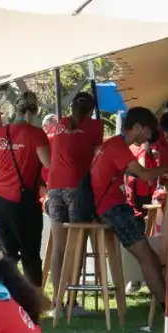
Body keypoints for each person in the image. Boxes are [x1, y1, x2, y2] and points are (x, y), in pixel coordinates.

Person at [92, 108, 168, 304]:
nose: (149, 137)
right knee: (146, 257)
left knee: (150, 256)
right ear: (136, 127)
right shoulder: (117, 147)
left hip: (112, 205)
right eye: (148, 131)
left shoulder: (114, 144)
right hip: (110, 207)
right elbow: (146, 175)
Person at [44, 91, 105, 297]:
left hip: (54, 186)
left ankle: (57, 300)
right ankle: (72, 299)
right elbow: (98, 157)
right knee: (76, 244)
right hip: (76, 186)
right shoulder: (96, 126)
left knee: (59, 247)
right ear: (91, 110)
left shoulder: (61, 123)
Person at [0, 92, 51, 288]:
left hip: (0, 199)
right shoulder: (36, 133)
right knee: (30, 254)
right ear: (33, 110)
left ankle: (8, 298)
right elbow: (48, 162)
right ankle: (34, 301)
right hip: (23, 202)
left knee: (7, 254)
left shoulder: (1, 132)